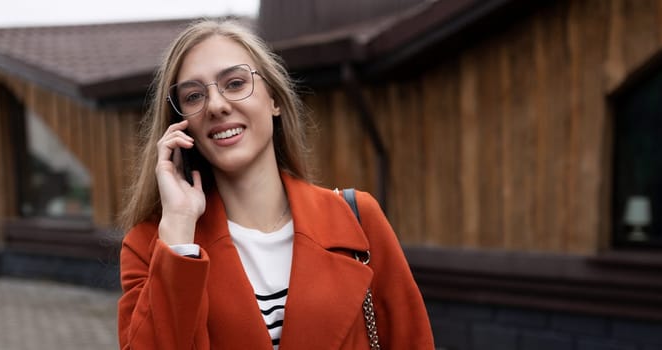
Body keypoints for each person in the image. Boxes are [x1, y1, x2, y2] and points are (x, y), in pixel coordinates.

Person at [116, 18, 434, 350]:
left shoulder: (358, 219)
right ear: (181, 127)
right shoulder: (153, 245)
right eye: (194, 96)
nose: (217, 105)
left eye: (236, 83)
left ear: (274, 100)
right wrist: (179, 231)